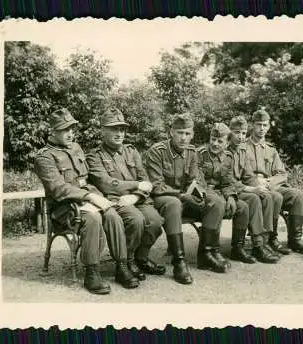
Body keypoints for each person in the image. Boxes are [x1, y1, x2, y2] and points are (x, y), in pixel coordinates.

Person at [34, 108, 139, 295]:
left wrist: (97, 195)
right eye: (64, 130)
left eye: (72, 129)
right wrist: (89, 197)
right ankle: (92, 272)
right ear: (52, 131)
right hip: (64, 208)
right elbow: (58, 189)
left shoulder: (76, 147)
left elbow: (87, 178)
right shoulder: (44, 157)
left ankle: (121, 266)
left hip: (87, 197)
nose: (70, 134)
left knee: (112, 215)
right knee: (93, 219)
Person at [143, 113, 229, 280]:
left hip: (184, 197)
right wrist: (182, 195)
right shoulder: (157, 151)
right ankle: (179, 261)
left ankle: (206, 254)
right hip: (162, 199)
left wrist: (200, 194)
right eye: (180, 133)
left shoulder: (191, 151)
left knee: (216, 201)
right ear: (171, 132)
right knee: (174, 203)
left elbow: (195, 179)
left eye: (187, 133)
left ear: (193, 134)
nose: (183, 138)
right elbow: (157, 186)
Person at [86, 108, 166, 283]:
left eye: (122, 129)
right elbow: (106, 183)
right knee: (136, 220)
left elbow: (145, 179)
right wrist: (136, 185)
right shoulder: (95, 156)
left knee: (155, 222)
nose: (119, 133)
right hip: (116, 201)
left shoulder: (132, 151)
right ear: (103, 130)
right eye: (114, 129)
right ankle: (125, 264)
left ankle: (140, 258)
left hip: (136, 199)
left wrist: (136, 196)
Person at [198, 122, 279, 264]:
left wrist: (231, 196)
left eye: (220, 141)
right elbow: (199, 183)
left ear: (226, 142)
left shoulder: (227, 157)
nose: (215, 144)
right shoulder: (200, 154)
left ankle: (238, 248)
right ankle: (212, 251)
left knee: (242, 206)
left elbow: (227, 182)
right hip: (202, 195)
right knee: (220, 204)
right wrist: (225, 196)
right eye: (213, 139)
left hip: (219, 193)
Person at [245, 108, 303, 255]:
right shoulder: (243, 147)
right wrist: (257, 182)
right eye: (258, 124)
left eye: (265, 125)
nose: (261, 128)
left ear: (269, 126)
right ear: (252, 125)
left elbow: (282, 174)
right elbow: (240, 173)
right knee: (274, 197)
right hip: (253, 188)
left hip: (272, 186)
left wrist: (270, 181)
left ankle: (295, 240)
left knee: (297, 195)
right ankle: (271, 238)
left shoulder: (271, 149)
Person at [228, 116, 283, 261]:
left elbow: (248, 175)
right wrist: (252, 190)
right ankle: (257, 246)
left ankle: (263, 243)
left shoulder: (241, 152)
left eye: (243, 133)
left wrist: (259, 186)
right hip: (228, 191)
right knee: (253, 198)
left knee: (267, 195)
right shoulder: (225, 151)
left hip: (241, 188)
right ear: (230, 133)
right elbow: (228, 181)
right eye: (236, 132)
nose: (240, 137)